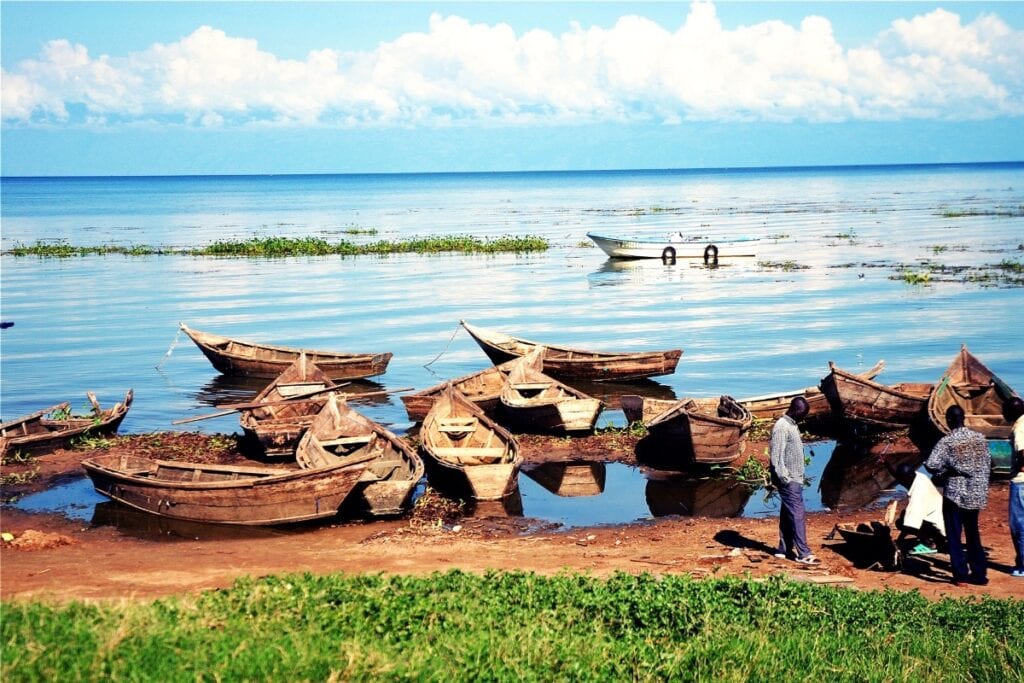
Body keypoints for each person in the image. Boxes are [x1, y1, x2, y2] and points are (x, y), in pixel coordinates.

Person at [924, 405, 991, 586]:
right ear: (964, 419)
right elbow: (987, 464)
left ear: (949, 420)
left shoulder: (947, 441)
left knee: (954, 536)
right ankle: (979, 575)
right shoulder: (980, 439)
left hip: (955, 494)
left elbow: (931, 464)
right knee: (973, 534)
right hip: (976, 494)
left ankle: (961, 576)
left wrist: (947, 469)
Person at [769, 396, 819, 564]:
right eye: (803, 414)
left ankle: (783, 549)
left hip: (794, 478)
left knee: (787, 513)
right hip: (788, 479)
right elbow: (776, 456)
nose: (804, 417)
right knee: (797, 514)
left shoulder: (792, 424)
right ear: (796, 410)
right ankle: (804, 553)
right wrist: (785, 478)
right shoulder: (782, 426)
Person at [881, 460, 946, 555]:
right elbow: (899, 477)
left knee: (902, 523)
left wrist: (899, 541)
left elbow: (910, 525)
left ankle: (928, 544)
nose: (901, 481)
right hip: (940, 517)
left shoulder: (918, 495)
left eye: (903, 478)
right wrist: (887, 463)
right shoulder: (919, 477)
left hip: (940, 528)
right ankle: (938, 540)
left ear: (909, 477)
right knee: (905, 518)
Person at [1005, 397, 1024, 578]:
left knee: (1019, 525)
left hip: (1021, 481)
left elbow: (1023, 454)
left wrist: (1017, 468)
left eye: (1006, 411)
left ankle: (1023, 565)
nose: (1003, 414)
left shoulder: (1019, 428)